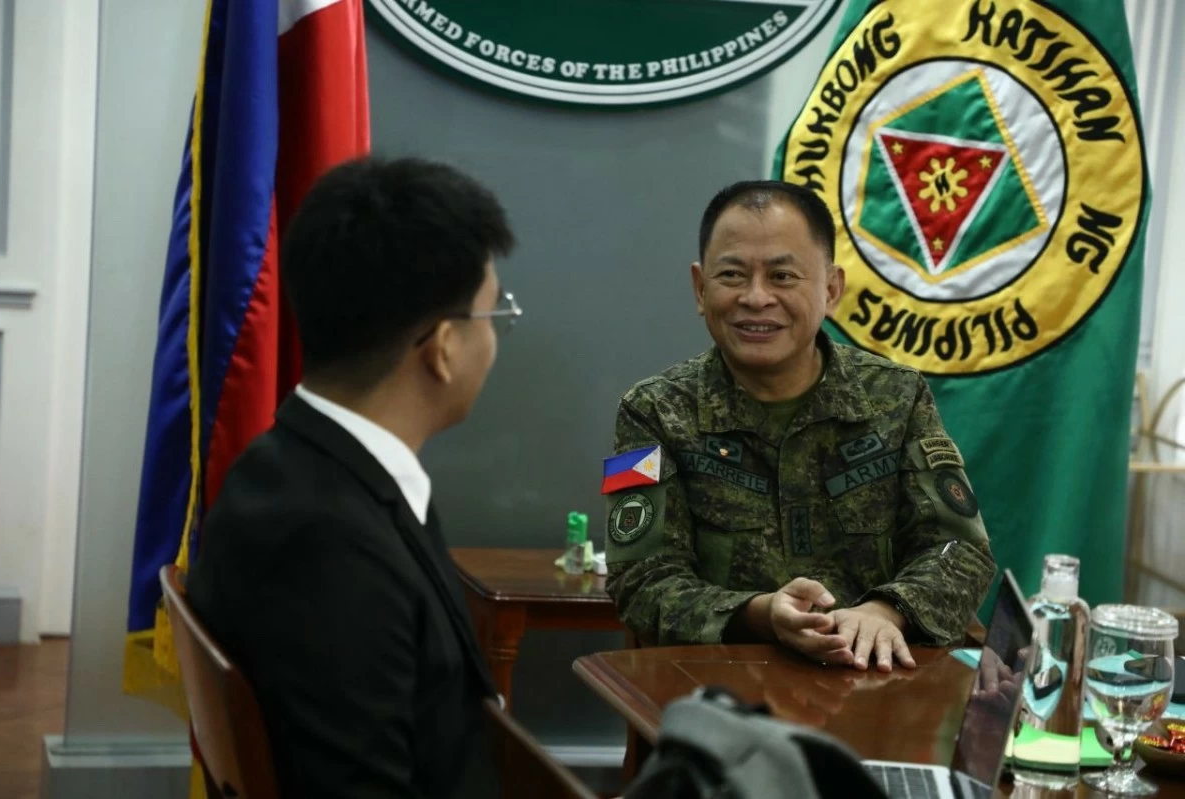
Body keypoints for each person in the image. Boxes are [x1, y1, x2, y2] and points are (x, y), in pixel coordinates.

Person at [187, 156, 519, 799]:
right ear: (443, 349)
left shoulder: (293, 465)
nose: (497, 340)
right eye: (494, 315)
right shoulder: (326, 545)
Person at [603, 180, 996, 672]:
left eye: (783, 276)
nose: (756, 298)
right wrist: (762, 615)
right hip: (719, 693)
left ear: (831, 289)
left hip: (876, 684)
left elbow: (961, 550)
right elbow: (638, 580)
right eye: (732, 275)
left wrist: (885, 611)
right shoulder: (651, 411)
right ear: (701, 289)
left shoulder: (898, 396)